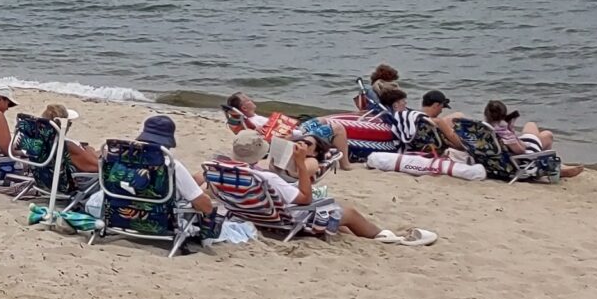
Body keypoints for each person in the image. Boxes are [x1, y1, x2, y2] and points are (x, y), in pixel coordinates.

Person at [227, 131, 436, 244]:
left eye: (309, 144)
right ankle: (386, 237)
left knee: (342, 221)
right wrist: (299, 163)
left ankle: (368, 235)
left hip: (253, 213)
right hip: (286, 220)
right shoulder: (268, 177)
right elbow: (305, 199)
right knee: (349, 212)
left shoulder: (231, 172)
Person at [135, 114, 215, 216]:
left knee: (198, 177)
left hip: (122, 217)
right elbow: (206, 207)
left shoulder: (121, 160)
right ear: (168, 144)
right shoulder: (171, 166)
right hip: (162, 220)